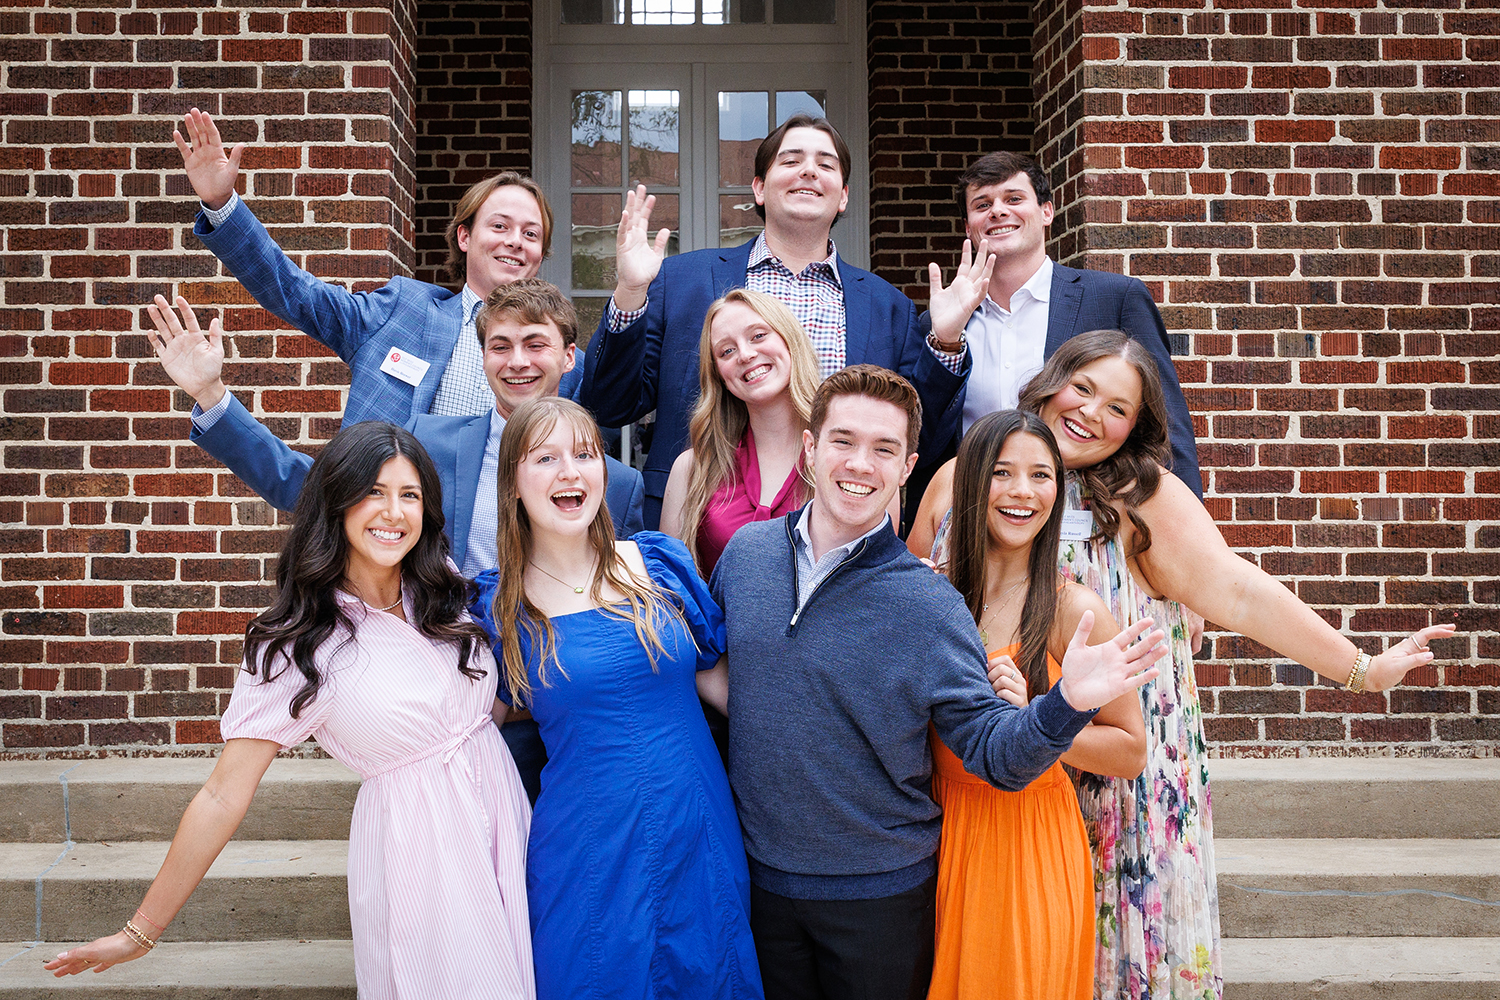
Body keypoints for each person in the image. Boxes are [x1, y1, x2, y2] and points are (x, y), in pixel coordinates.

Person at [911, 330, 1455, 1000]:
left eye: (1117, 409)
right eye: (1083, 388)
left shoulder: (1142, 496)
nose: (1090, 413)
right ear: (1051, 383)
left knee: (1103, 947)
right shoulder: (960, 475)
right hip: (986, 771)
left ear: (1134, 428)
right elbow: (911, 607)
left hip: (1116, 761)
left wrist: (1361, 669)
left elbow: (1237, 590)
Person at [709, 365, 1169, 1000]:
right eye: (843, 441)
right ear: (810, 448)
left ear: (908, 469)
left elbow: (993, 754)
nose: (860, 465)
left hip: (878, 891)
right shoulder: (746, 557)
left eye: (885, 449)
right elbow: (721, 679)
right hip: (759, 878)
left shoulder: (927, 602)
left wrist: (1064, 703)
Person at [44, 422, 535, 999]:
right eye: (373, 491)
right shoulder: (296, 643)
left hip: (503, 815)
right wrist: (139, 932)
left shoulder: (439, 585)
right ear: (336, 502)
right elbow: (222, 795)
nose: (393, 512)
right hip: (421, 848)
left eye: (410, 495)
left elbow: (481, 705)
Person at [470, 397, 762, 1000]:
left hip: (696, 824)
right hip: (587, 846)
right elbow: (469, 735)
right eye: (545, 458)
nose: (569, 472)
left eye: (584, 454)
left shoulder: (659, 565)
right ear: (512, 484)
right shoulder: (499, 608)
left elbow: (725, 688)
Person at [579, 113, 996, 527]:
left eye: (826, 164)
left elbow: (921, 440)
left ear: (844, 195)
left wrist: (944, 339)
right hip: (700, 532)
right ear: (760, 188)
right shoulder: (682, 281)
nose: (809, 171)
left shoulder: (889, 308)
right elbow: (608, 404)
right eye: (792, 160)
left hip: (840, 536)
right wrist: (631, 293)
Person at [923, 409, 1146, 1000]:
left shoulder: (1073, 610)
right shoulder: (930, 594)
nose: (1023, 492)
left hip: (1023, 847)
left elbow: (1130, 751)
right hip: (934, 838)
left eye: (1041, 475)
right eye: (1002, 472)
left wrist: (1043, 723)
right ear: (971, 482)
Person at [173, 107, 571, 426]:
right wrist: (222, 203)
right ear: (464, 237)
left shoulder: (565, 361)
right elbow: (295, 293)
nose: (515, 240)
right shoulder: (402, 311)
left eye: (531, 234)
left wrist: (632, 287)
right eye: (500, 226)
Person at [905, 151, 1202, 523]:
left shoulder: (1114, 299)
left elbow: (1167, 430)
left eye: (1014, 199)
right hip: (972, 523)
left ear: (1047, 211)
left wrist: (1185, 535)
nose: (998, 211)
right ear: (969, 226)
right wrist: (945, 342)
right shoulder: (937, 325)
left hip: (1090, 524)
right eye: (983, 204)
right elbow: (921, 446)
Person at [659, 288, 819, 574]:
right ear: (719, 374)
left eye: (758, 335)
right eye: (726, 351)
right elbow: (672, 593)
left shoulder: (845, 460)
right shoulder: (693, 469)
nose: (745, 354)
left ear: (789, 340)